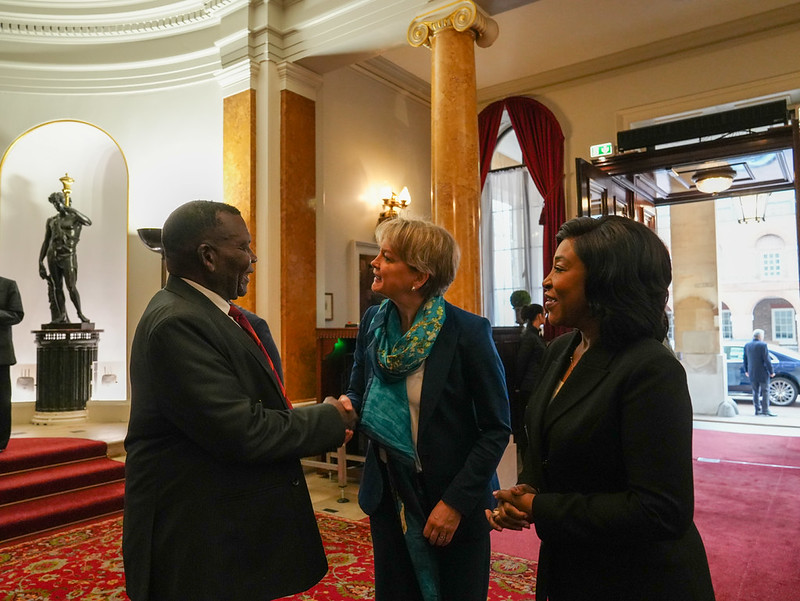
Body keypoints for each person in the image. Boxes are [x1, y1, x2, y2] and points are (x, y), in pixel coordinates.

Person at [123, 200, 358, 601]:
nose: (253, 258)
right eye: (244, 247)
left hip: (226, 519)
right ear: (209, 257)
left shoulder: (216, 314)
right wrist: (332, 418)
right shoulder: (177, 323)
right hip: (197, 533)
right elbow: (243, 431)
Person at [487, 215, 715, 601]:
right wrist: (529, 493)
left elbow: (661, 510)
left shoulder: (651, 368)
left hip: (636, 579)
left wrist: (542, 506)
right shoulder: (562, 349)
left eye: (559, 268)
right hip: (568, 566)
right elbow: (557, 449)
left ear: (606, 280)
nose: (545, 281)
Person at [339, 217, 511, 601]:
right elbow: (357, 386)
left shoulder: (467, 331)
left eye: (388, 257)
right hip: (389, 493)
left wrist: (454, 504)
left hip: (452, 500)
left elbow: (496, 428)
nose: (375, 263)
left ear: (419, 276)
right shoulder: (373, 322)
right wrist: (348, 405)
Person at [38, 191, 92, 324]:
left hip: (68, 256)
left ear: (65, 201)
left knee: (71, 286)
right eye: (55, 203)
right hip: (53, 255)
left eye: (59, 202)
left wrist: (70, 209)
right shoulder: (52, 221)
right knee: (57, 286)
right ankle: (62, 315)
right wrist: (40, 261)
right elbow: (46, 241)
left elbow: (88, 222)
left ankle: (80, 313)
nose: (57, 205)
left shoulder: (75, 218)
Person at [512, 303, 546, 463]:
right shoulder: (529, 336)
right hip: (528, 387)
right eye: (543, 313)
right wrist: (518, 386)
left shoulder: (535, 335)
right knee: (527, 423)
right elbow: (521, 362)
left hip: (535, 385)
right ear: (538, 315)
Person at [0, 276, 23, 452]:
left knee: (2, 401)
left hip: (1, 354)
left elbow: (17, 314)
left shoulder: (8, 285)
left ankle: (1, 441)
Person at [744, 328, 776, 416]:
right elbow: (767, 360)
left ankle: (757, 410)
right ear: (760, 336)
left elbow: (745, 359)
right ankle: (765, 410)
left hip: (752, 372)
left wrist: (746, 370)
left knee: (755, 391)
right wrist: (771, 371)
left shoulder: (747, 345)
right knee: (765, 391)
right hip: (762, 372)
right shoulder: (763, 345)